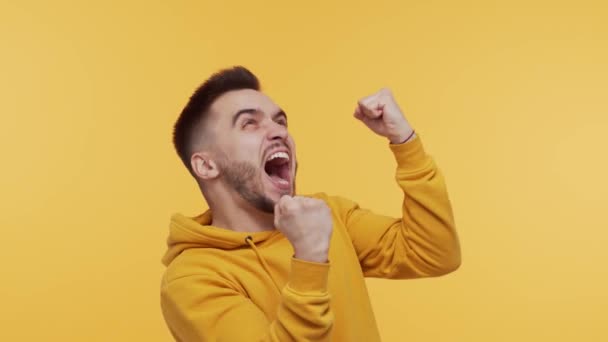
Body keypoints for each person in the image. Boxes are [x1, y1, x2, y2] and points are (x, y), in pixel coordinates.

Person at [160, 66, 461, 341]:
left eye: (280, 121)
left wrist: (405, 142)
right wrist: (309, 258)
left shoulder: (328, 215)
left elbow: (434, 253)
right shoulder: (192, 279)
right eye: (250, 124)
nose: (279, 132)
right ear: (206, 166)